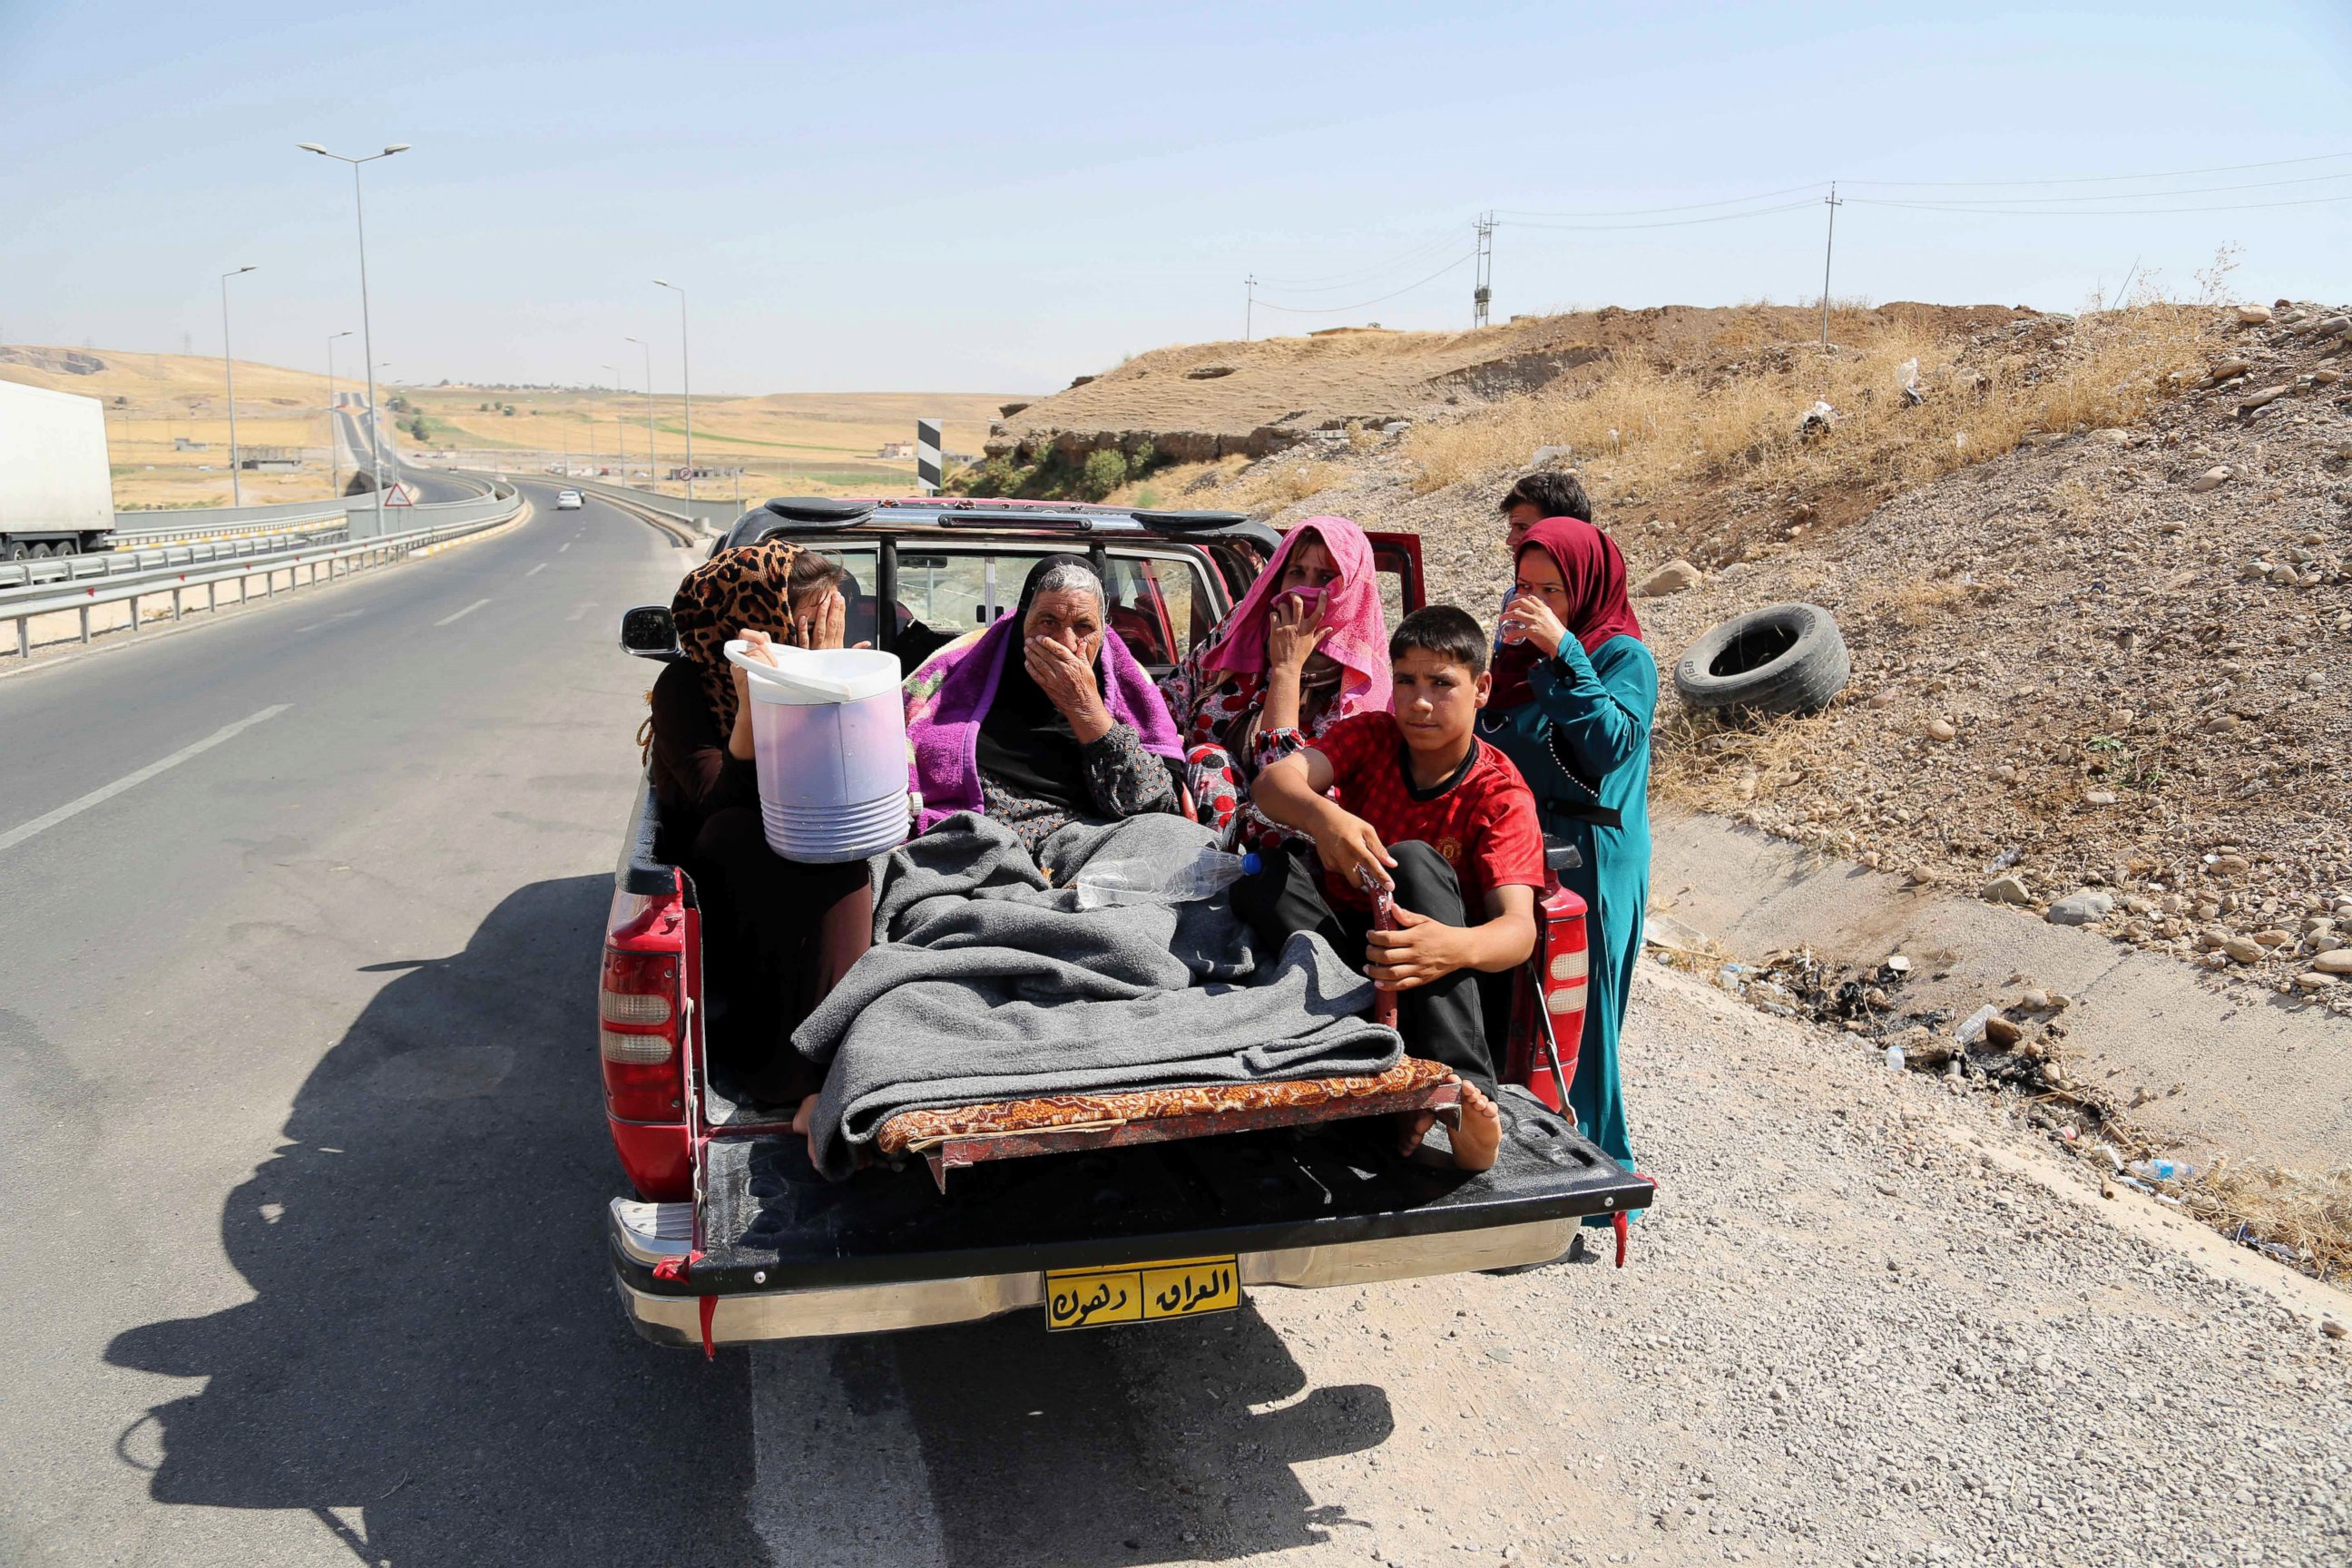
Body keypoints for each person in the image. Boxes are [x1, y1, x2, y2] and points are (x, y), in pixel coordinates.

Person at [1237, 605, 1549, 1172]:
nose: (1420, 702)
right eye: (1405, 681)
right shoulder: (1373, 737)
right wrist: (1324, 819)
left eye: (1441, 684)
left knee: (1413, 863)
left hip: (1435, 968)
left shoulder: (1500, 794)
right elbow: (1273, 784)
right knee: (1268, 877)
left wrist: (1448, 947)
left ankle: (1463, 1098)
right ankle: (1348, 1063)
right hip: (1351, 963)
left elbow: (1518, 931)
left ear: (1482, 689)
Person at [647, 540, 876, 1104]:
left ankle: (846, 1065)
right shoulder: (685, 687)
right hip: (727, 840)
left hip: (806, 826)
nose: (822, 634)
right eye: (810, 623)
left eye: (831, 619)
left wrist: (826, 682)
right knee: (751, 838)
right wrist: (760, 701)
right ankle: (787, 1072)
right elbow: (716, 799)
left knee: (844, 855)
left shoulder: (834, 664)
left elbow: (840, 779)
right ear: (760, 622)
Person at [1479, 516, 1651, 1176]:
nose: (1535, 603)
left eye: (1552, 589)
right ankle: (1519, 1156)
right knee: (1520, 1017)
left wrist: (1566, 652)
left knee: (1583, 1027)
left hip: (1594, 853)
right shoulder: (1515, 661)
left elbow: (1609, 747)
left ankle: (1600, 1173)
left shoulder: (1621, 657)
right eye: (1524, 586)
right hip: (1528, 847)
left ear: (1584, 588)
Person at [904, 554, 1186, 853]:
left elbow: (1155, 809)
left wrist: (1086, 708)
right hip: (985, 847)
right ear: (1020, 622)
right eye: (1048, 621)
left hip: (1093, 847)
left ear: (1103, 634)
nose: (1064, 641)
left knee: (1180, 838)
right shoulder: (956, 681)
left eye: (1083, 626)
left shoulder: (1129, 692)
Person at [1159, 516, 1392, 851]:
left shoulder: (1360, 689)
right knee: (1206, 758)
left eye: (1326, 578)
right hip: (1210, 824)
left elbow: (1284, 784)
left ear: (1351, 590)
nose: (1304, 592)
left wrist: (1287, 667)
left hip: (1297, 836)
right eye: (1296, 573)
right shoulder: (1246, 629)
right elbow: (1174, 695)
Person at [1493, 470, 1594, 652]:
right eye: (1526, 587)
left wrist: (1560, 646)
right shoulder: (1514, 599)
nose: (1510, 540)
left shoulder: (1607, 626)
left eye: (1523, 528)